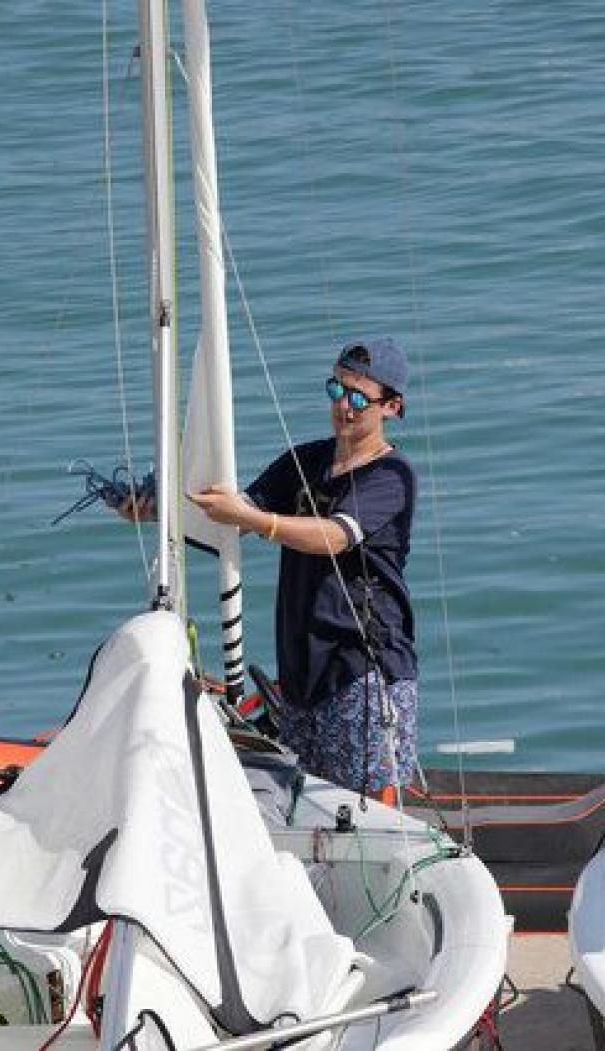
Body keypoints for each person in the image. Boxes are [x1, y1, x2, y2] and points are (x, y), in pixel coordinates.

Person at [122, 336, 418, 801]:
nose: (344, 406)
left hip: (361, 675)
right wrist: (158, 509)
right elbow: (234, 513)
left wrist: (255, 520)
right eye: (336, 390)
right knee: (303, 808)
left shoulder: (391, 476)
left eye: (359, 398)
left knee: (359, 815)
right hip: (301, 674)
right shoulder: (304, 461)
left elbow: (333, 536)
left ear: (392, 407)